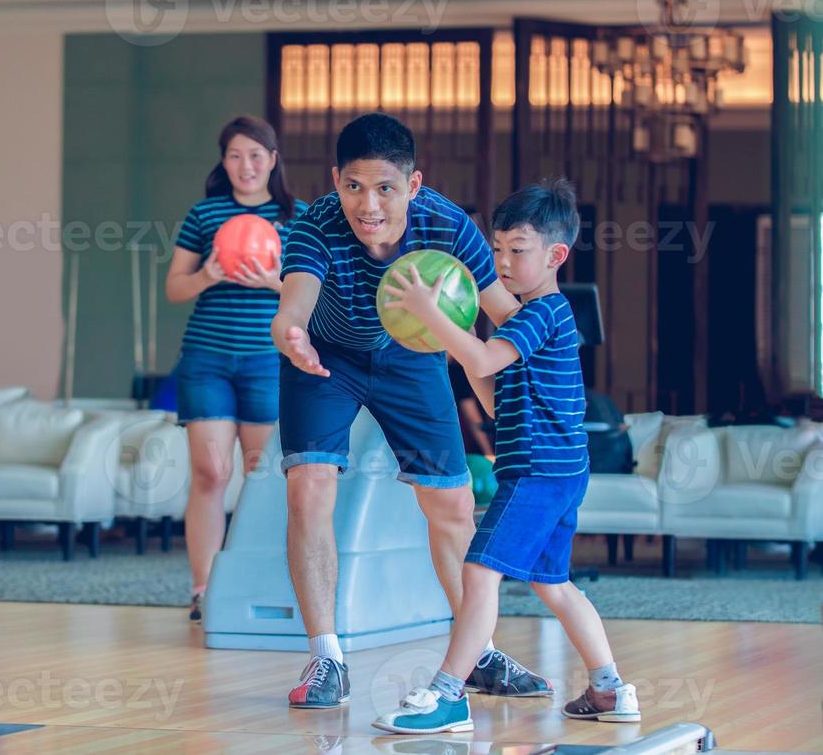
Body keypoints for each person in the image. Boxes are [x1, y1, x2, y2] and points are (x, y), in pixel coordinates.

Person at [272, 112, 548, 709]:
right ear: (335, 181)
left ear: (414, 184)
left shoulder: (448, 225)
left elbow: (502, 315)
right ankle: (327, 656)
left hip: (413, 356)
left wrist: (530, 395)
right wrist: (290, 334)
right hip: (326, 358)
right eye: (353, 186)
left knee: (451, 502)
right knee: (309, 486)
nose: (367, 204)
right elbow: (295, 304)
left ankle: (478, 651)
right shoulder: (315, 225)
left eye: (385, 188)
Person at [374, 178, 639, 734]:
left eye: (518, 250)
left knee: (478, 572)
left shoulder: (543, 313)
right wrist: (460, 336)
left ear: (555, 255)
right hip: (556, 470)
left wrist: (432, 312)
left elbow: (486, 359)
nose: (503, 261)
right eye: (497, 249)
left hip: (539, 472)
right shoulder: (529, 319)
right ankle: (611, 690)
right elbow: (496, 397)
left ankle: (447, 696)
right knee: (554, 585)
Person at [166, 115, 307, 623]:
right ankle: (204, 589)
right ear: (222, 162)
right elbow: (174, 288)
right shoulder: (205, 215)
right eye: (234, 156)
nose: (245, 166)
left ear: (272, 160)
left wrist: (274, 281)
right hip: (207, 359)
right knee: (210, 472)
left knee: (261, 474)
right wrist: (207, 273)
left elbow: (318, 294)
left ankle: (261, 581)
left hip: (269, 361)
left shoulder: (299, 216)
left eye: (255, 155)